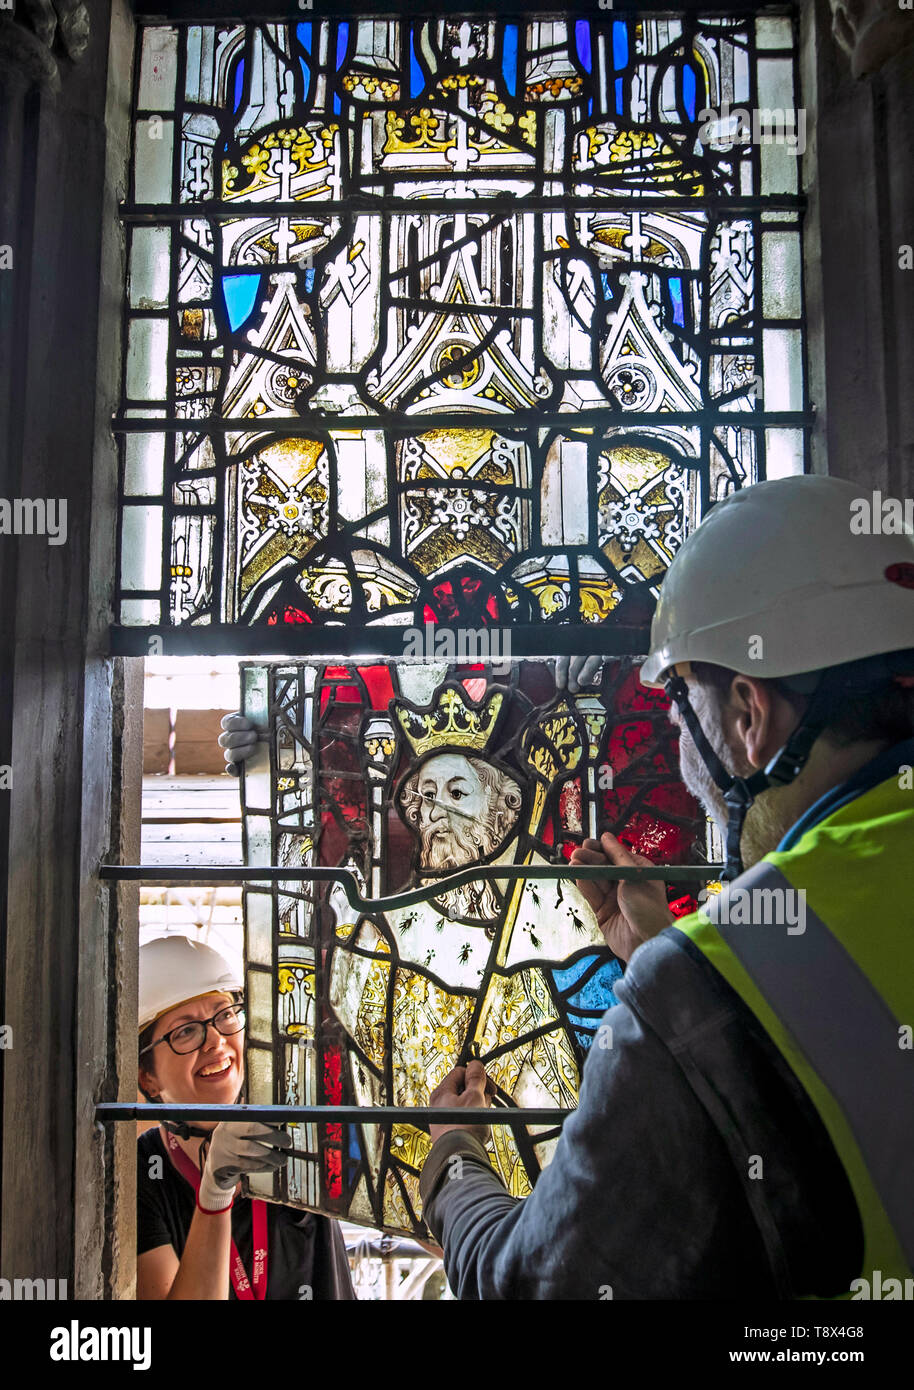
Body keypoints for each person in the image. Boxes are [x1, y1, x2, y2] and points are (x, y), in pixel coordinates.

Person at [412, 474, 914, 1298]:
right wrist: (661, 953)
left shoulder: (718, 974)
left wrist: (453, 1163)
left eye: (682, 709)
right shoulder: (730, 967)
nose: (678, 747)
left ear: (749, 715)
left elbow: (535, 1288)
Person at [136, 934, 354, 1300]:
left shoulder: (295, 1121)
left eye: (224, 1015)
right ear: (148, 1078)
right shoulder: (144, 1172)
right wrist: (214, 1193)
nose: (216, 1041)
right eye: (186, 1031)